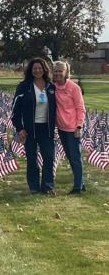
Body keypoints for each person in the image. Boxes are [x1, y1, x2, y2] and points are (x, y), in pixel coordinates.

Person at [12, 58, 56, 195]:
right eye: (35, 68)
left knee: (48, 157)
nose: (37, 70)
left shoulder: (51, 86)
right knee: (32, 159)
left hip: (46, 128)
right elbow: (15, 110)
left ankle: (47, 186)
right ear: (31, 71)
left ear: (45, 69)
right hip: (29, 129)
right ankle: (34, 187)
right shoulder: (24, 86)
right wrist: (20, 129)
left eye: (40, 68)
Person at [53, 61, 86, 194]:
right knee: (70, 157)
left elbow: (80, 108)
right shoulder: (52, 87)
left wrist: (79, 126)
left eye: (61, 71)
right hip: (61, 129)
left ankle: (78, 187)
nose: (58, 73)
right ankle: (81, 183)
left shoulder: (74, 88)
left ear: (66, 72)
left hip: (73, 129)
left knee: (75, 158)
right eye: (55, 71)